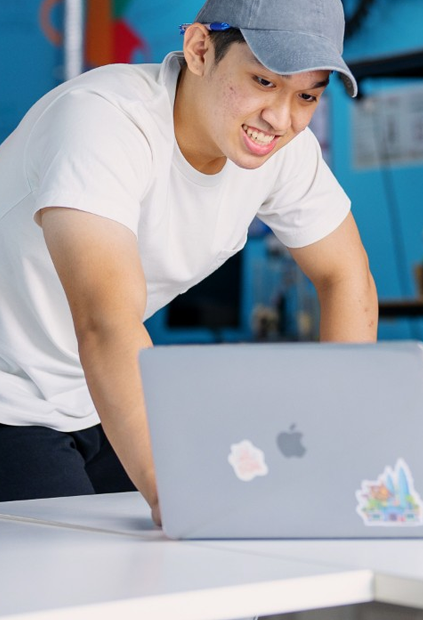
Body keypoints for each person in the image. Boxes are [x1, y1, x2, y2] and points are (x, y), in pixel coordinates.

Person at [0, 0, 378, 522]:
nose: (281, 118)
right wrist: (173, 493)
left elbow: (344, 274)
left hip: (91, 393)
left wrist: (345, 446)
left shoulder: (282, 149)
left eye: (307, 96)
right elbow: (105, 320)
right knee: (81, 579)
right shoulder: (103, 121)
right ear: (200, 49)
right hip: (9, 395)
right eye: (263, 82)